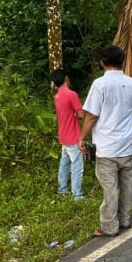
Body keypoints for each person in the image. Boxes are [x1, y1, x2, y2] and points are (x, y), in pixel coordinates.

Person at [79, 45, 132, 237]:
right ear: (122, 62)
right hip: (127, 143)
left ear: (102, 63)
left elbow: (91, 116)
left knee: (110, 187)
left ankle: (110, 226)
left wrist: (81, 138)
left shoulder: (100, 85)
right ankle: (125, 219)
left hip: (107, 146)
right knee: (127, 182)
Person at [51, 69, 85, 200]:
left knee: (64, 164)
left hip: (63, 136)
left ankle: (62, 189)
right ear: (66, 78)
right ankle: (77, 195)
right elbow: (82, 114)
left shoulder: (57, 96)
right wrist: (78, 113)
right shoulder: (72, 94)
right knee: (77, 165)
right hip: (73, 136)